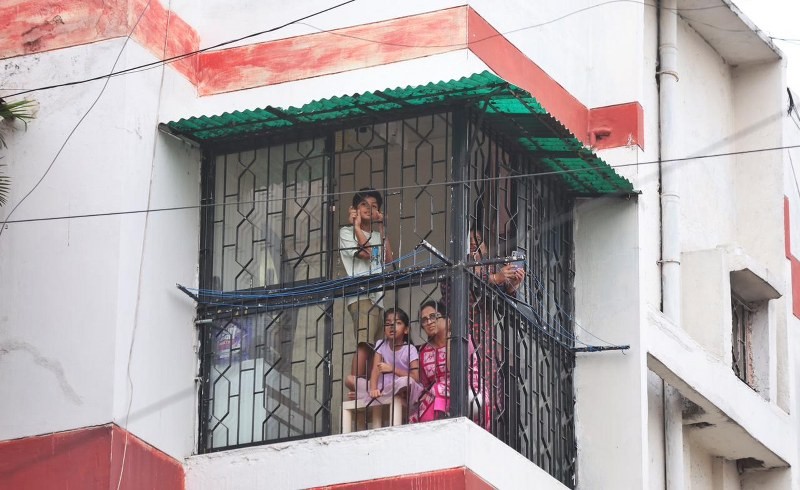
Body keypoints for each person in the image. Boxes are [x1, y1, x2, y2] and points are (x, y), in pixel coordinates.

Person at [438, 229, 524, 429]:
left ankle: (486, 429)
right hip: (461, 334)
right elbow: (462, 283)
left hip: (485, 339)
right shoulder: (451, 268)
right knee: (462, 386)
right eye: (469, 241)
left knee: (487, 392)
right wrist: (496, 278)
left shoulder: (491, 268)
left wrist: (512, 285)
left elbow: (505, 306)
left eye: (479, 241)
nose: (474, 245)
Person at [339, 187, 395, 380]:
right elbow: (366, 253)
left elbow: (388, 260)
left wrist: (381, 226)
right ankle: (354, 382)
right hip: (361, 296)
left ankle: (368, 386)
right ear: (354, 208)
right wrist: (356, 226)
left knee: (376, 347)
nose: (369, 209)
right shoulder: (346, 233)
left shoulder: (379, 236)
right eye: (364, 204)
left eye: (374, 206)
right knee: (364, 343)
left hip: (378, 297)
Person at [410, 300, 480, 423]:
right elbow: (425, 384)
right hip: (434, 395)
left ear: (446, 318)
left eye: (433, 316)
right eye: (424, 320)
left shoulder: (463, 340)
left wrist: (449, 337)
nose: (429, 322)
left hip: (466, 387)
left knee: (438, 390)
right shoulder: (423, 351)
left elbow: (455, 371)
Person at [345, 308, 422, 411]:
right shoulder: (380, 344)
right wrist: (373, 389)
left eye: (398, 323)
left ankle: (364, 395)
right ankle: (373, 395)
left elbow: (416, 378)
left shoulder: (410, 349)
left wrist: (392, 369)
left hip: (398, 386)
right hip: (382, 387)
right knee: (349, 379)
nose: (392, 326)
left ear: (406, 330)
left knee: (406, 381)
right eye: (388, 323)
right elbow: (375, 370)